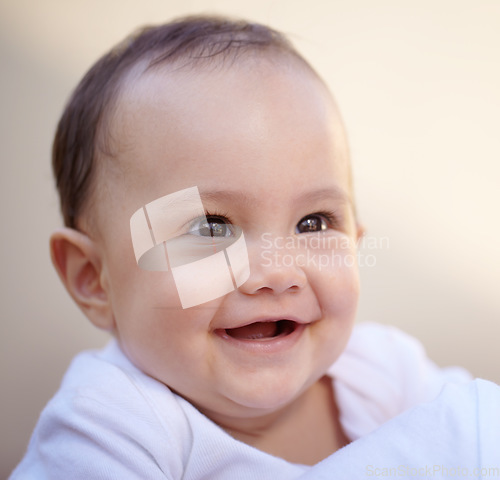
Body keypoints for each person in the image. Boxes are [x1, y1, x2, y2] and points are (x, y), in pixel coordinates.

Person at [10, 15, 481, 479]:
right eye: (213, 228)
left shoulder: (386, 372)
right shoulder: (109, 426)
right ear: (94, 279)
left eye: (313, 222)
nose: (276, 272)